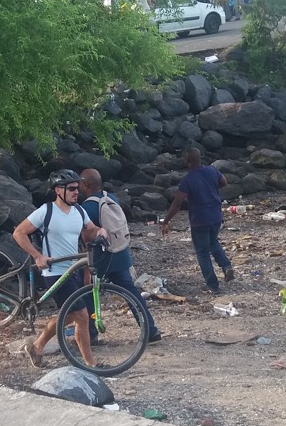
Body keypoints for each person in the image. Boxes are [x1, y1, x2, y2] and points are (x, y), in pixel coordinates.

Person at [12, 169, 107, 368]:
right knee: (81, 316)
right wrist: (38, 256)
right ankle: (91, 364)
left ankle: (37, 346)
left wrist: (101, 230)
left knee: (71, 315)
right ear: (58, 190)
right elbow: (19, 233)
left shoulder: (79, 211)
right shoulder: (46, 211)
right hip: (54, 271)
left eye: (77, 188)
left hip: (73, 270)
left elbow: (90, 229)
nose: (76, 192)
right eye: (71, 189)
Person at [79, 168, 162, 343]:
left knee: (86, 293)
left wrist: (86, 266)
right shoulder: (112, 198)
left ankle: (91, 334)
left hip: (99, 258)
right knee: (131, 293)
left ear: (84, 184)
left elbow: (87, 238)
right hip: (119, 254)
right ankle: (150, 330)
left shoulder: (87, 208)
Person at [161, 146, 234, 293]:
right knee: (213, 242)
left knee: (202, 252)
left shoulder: (188, 180)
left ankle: (212, 285)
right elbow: (224, 182)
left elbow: (177, 203)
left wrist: (166, 221)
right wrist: (212, 189)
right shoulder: (212, 171)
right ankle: (226, 266)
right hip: (215, 216)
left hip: (200, 220)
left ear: (187, 161)